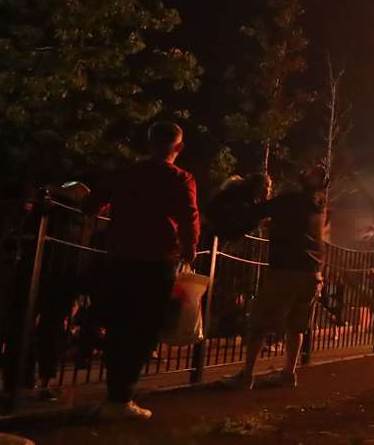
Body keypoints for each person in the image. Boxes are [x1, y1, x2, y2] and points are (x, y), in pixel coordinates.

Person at [81, 122, 200, 420]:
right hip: (157, 260)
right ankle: (122, 399)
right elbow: (189, 218)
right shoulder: (181, 179)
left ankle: (114, 394)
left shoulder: (126, 173)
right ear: (179, 147)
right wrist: (189, 250)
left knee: (119, 325)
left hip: (120, 256)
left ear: (149, 143)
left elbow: (92, 203)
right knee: (144, 328)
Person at [221, 166, 328, 391]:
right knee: (296, 327)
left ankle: (247, 376)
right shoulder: (320, 207)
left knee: (259, 324)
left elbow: (256, 212)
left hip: (285, 271)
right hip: (312, 273)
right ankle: (289, 373)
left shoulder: (289, 200)